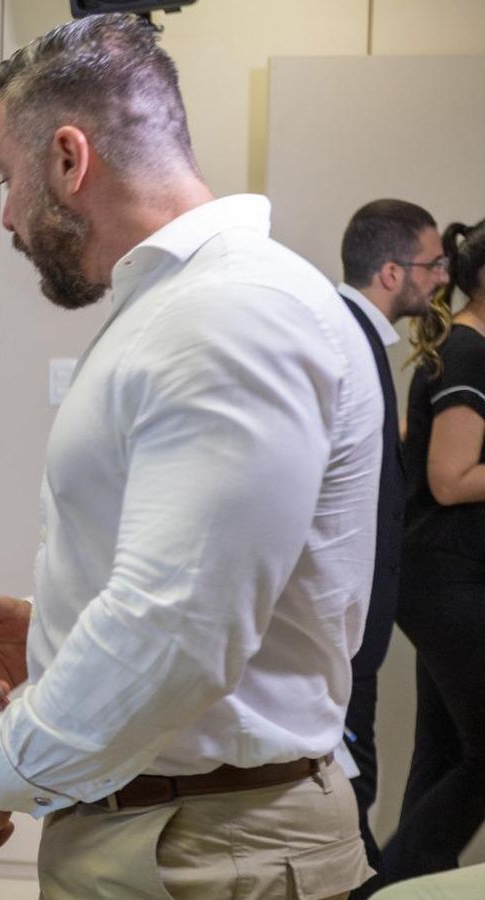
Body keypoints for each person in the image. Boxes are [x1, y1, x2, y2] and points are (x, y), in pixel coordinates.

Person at [0, 14, 382, 899]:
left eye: (6, 179)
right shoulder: (183, 306)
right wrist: (61, 629)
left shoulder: (228, 313)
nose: (11, 216)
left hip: (209, 849)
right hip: (182, 831)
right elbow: (199, 590)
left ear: (69, 157)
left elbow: (175, 627)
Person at [335, 199, 449, 899]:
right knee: (350, 801)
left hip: (353, 631)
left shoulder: (360, 339)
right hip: (343, 635)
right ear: (389, 271)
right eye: (433, 264)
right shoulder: (345, 338)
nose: (443, 278)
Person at [377, 218, 485, 889]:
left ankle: (398, 888)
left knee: (445, 753)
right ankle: (388, 884)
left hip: (444, 578)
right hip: (447, 581)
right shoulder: (471, 353)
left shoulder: (464, 348)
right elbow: (449, 480)